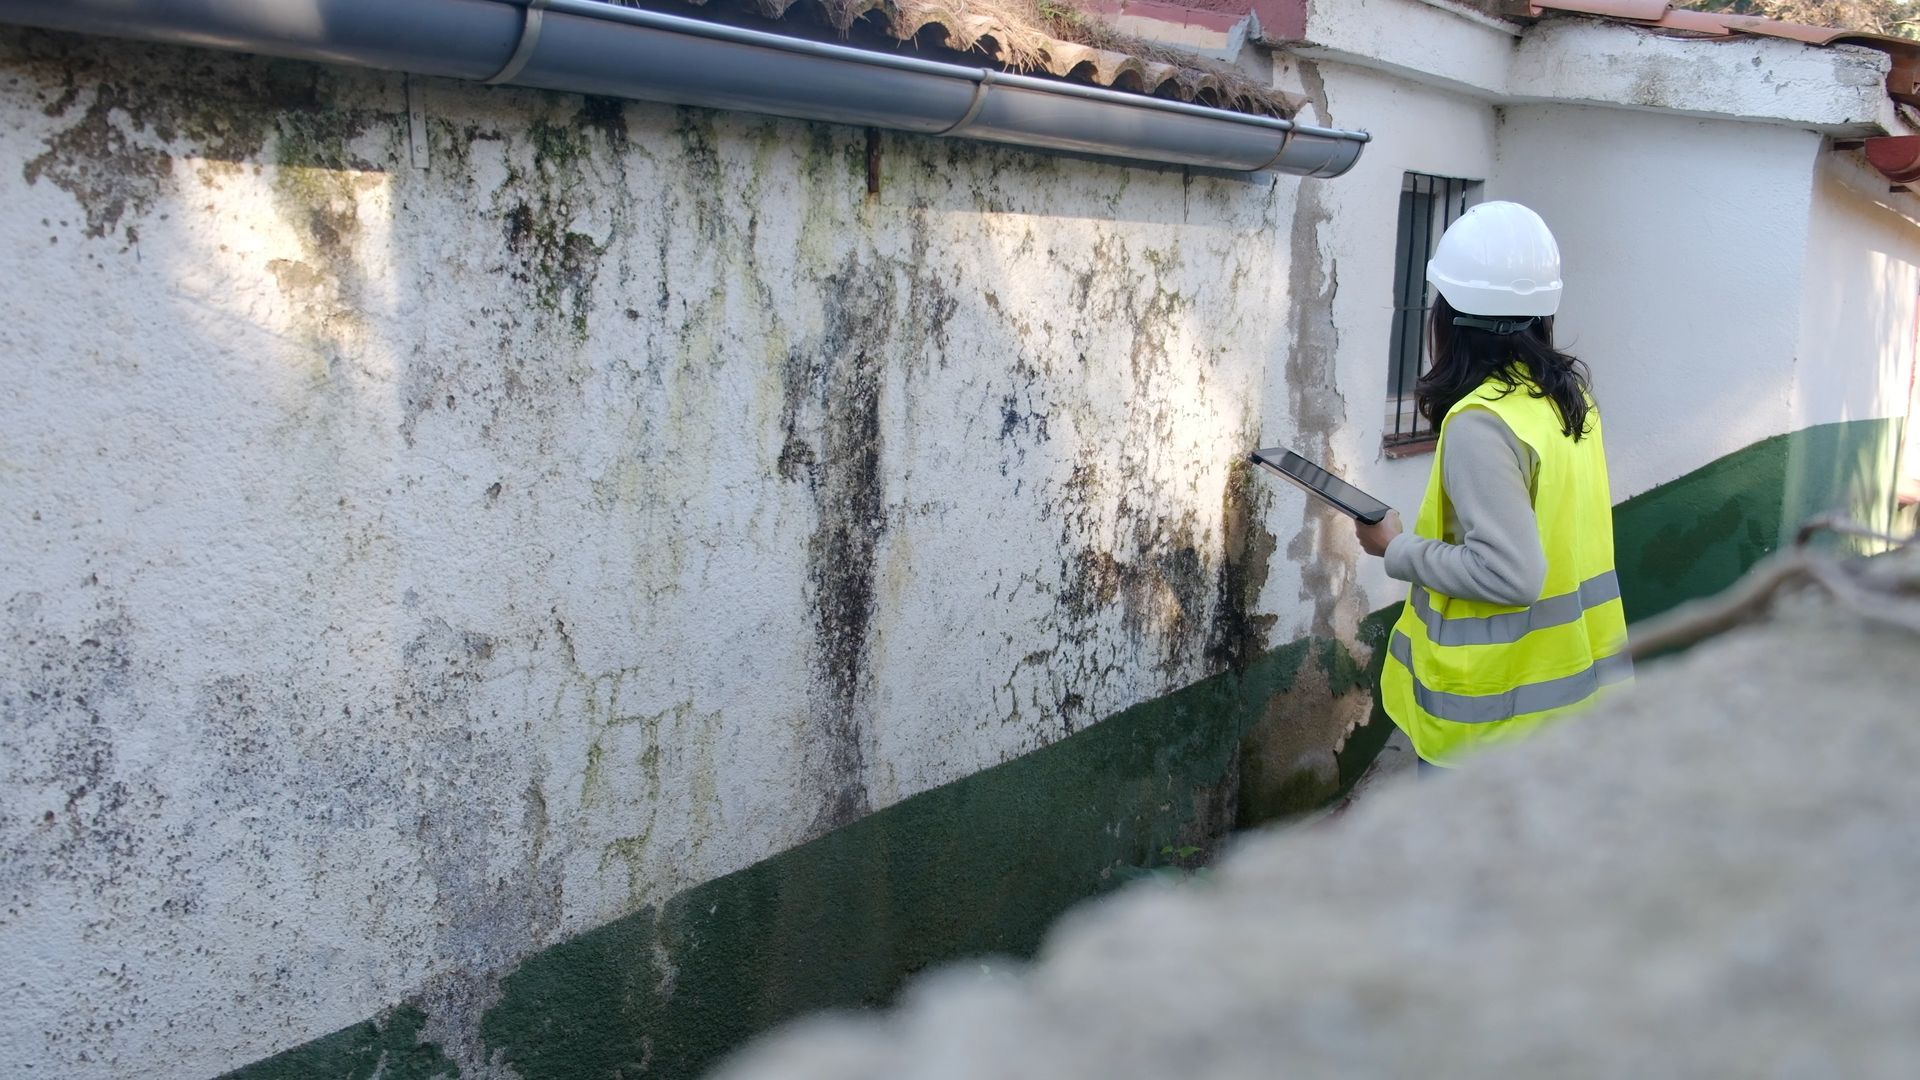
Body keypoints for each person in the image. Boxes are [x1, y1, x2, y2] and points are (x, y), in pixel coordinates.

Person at [1355, 201, 1631, 769]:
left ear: (1448, 317)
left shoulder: (1482, 423)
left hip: (1494, 725)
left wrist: (1394, 548)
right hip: (1570, 702)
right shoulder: (1564, 402)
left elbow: (1513, 575)